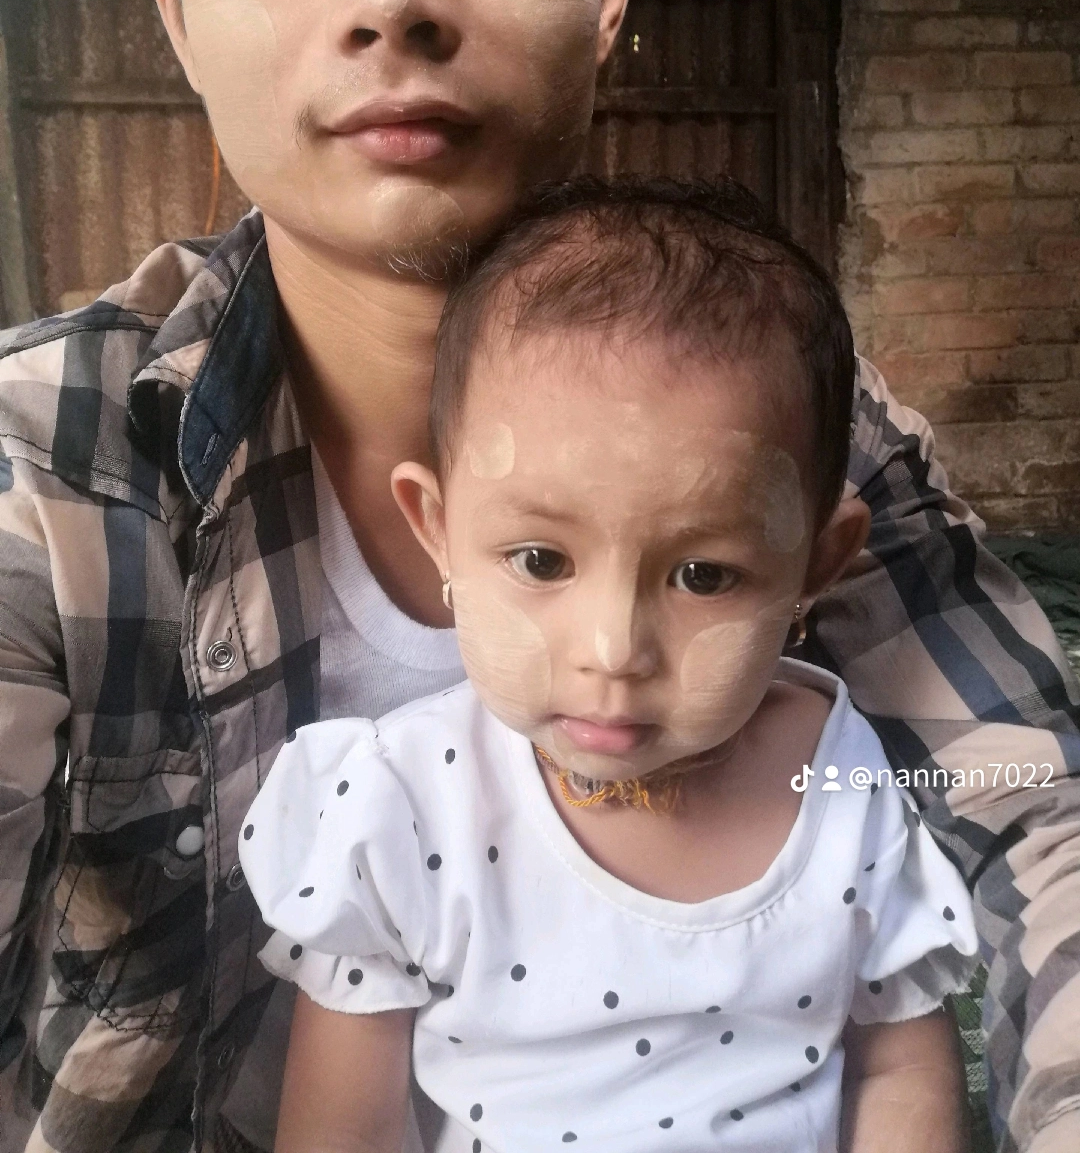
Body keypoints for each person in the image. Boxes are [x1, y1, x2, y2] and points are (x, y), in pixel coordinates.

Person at [0, 0, 1074, 1150]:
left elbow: (1025, 811)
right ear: (177, 3)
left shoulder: (813, 440)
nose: (389, 2)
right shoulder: (46, 474)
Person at [240, 177, 981, 1153]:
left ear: (817, 564)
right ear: (440, 530)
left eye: (703, 575)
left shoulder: (843, 780)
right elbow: (344, 1131)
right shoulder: (404, 807)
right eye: (541, 561)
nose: (613, 652)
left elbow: (896, 1064)